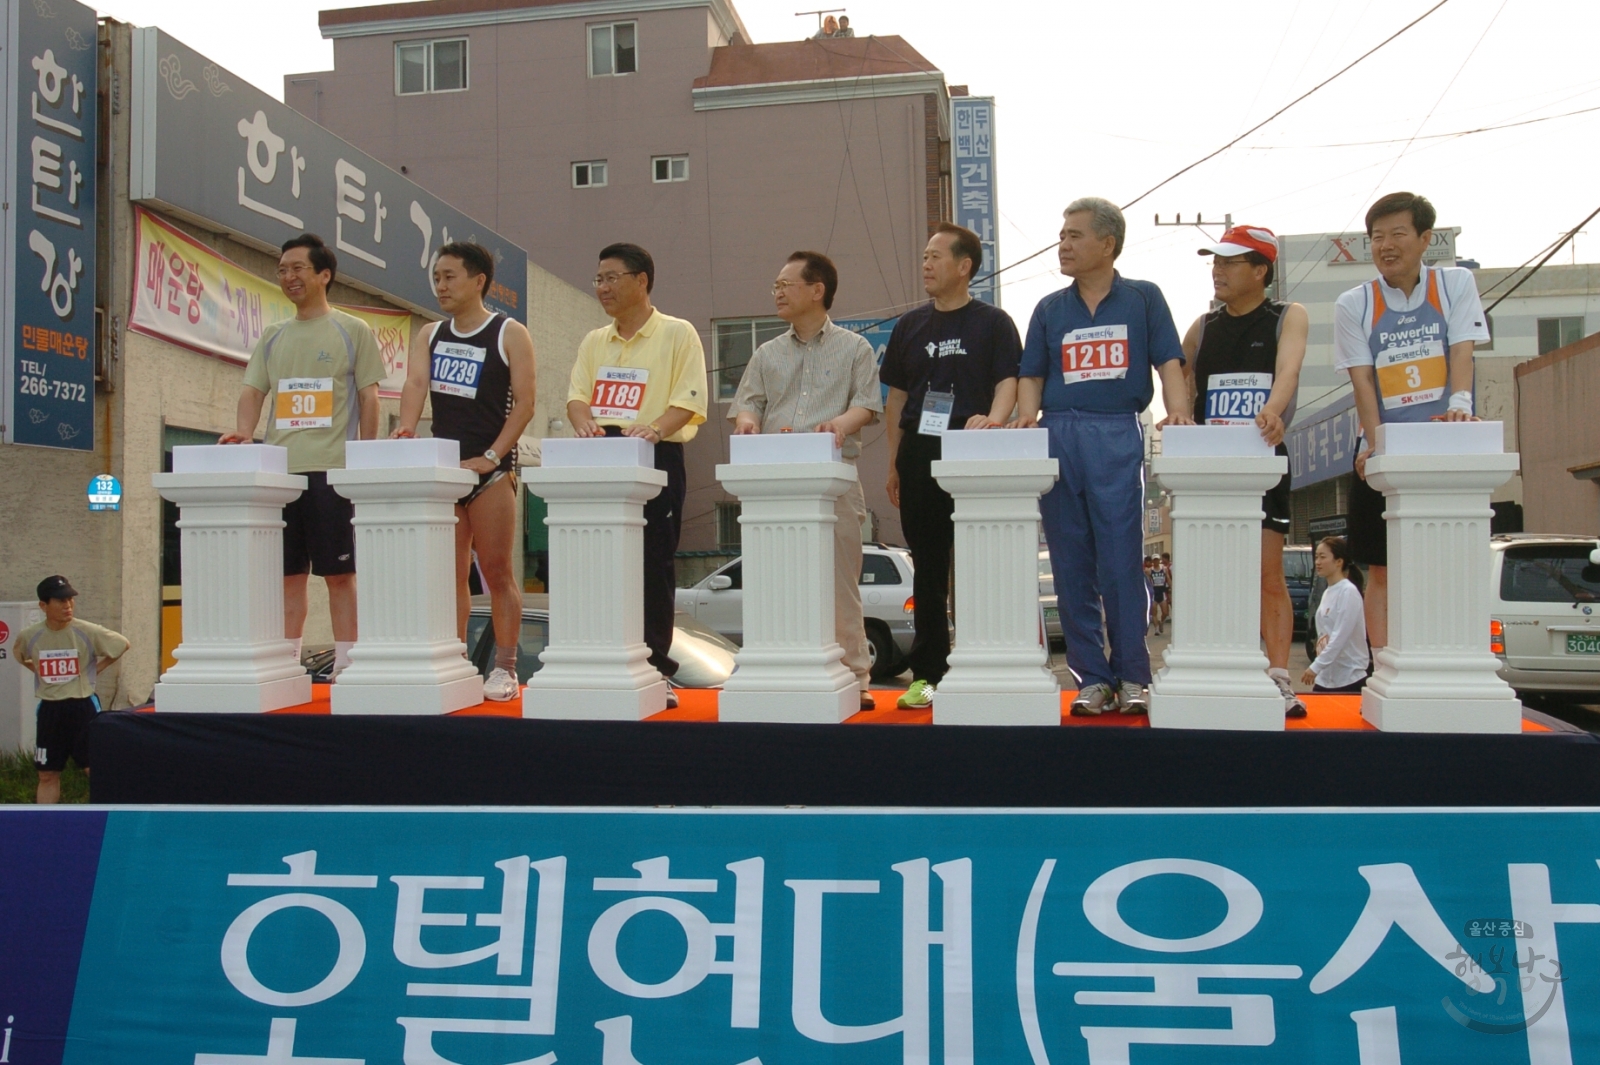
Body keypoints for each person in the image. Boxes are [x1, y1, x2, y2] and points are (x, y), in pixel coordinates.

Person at [1013, 198, 1191, 716]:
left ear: (1107, 244)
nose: (1063, 245)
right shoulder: (1049, 308)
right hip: (1059, 432)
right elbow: (1032, 373)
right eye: (1061, 234)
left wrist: (1177, 413)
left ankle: (1134, 674)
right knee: (1070, 565)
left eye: (1074, 235)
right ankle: (1093, 677)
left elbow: (1169, 362)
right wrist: (1028, 420)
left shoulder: (1143, 299)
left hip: (1116, 434)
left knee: (1119, 559)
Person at [222, 234, 386, 678]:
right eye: (282, 270)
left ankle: (349, 664)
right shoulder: (273, 336)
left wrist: (364, 456)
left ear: (324, 275)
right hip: (281, 475)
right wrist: (243, 434)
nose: (288, 277)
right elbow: (253, 391)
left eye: (297, 269)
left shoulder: (353, 330)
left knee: (339, 576)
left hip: (332, 472)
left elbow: (371, 399)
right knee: (286, 576)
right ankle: (286, 663)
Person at [1335, 192, 1489, 657]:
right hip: (1383, 448)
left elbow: (1462, 347)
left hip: (1443, 445)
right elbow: (1362, 380)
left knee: (1445, 564)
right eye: (1377, 237)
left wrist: (1460, 403)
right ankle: (1384, 665)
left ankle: (1450, 657)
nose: (1386, 245)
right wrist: (1375, 443)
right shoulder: (1353, 302)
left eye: (1398, 234)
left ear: (1425, 238)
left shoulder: (1456, 284)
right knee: (1380, 568)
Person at [731, 251, 883, 710]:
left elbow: (867, 406)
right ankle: (775, 671)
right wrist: (746, 423)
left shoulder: (855, 348)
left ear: (817, 291)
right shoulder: (765, 352)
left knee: (840, 585)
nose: (776, 291)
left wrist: (838, 424)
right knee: (772, 581)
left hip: (832, 480)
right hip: (774, 484)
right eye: (775, 285)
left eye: (786, 284)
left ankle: (857, 678)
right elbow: (748, 404)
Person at [880, 223, 1020, 709]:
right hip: (921, 450)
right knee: (929, 566)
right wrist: (895, 462)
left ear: (965, 266)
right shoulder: (909, 326)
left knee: (982, 559)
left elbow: (1009, 382)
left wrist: (995, 421)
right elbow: (897, 400)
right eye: (924, 256)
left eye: (936, 256)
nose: (926, 264)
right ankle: (928, 672)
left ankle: (987, 661)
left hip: (975, 445)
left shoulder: (994, 323)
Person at [567, 243, 707, 706]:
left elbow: (689, 400)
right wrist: (584, 422)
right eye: (598, 280)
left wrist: (654, 429)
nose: (602, 288)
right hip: (602, 458)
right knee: (598, 566)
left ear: (641, 281)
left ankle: (655, 669)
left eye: (611, 278)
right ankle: (604, 662)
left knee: (653, 567)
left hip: (655, 457)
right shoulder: (594, 341)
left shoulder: (677, 333)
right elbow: (576, 397)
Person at [395, 242, 537, 701]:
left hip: (491, 470)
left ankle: (506, 668)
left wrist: (493, 457)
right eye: (436, 276)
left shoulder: (510, 332)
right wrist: (406, 429)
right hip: (445, 471)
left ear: (479, 281)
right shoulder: (430, 334)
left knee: (497, 572)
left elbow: (526, 403)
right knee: (449, 574)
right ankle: (455, 662)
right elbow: (416, 383)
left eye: (450, 276)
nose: (440, 285)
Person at [1183, 224, 1310, 718]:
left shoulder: (1287, 316)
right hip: (1209, 470)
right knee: (1210, 574)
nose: (1218, 270)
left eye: (1231, 262)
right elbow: (1177, 374)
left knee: (1266, 575)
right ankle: (1212, 669)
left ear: (1261, 271)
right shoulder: (1203, 326)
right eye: (1215, 261)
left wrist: (1274, 412)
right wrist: (1179, 415)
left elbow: (1290, 371)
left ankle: (1278, 676)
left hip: (1262, 460)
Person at [13, 576, 128, 804]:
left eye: (70, 600)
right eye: (60, 601)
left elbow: (122, 644)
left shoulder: (87, 630)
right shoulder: (30, 635)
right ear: (43, 606)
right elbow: (20, 655)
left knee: (93, 768)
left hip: (82, 707)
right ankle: (44, 824)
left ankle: (108, 817)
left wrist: (92, 672)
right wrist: (41, 673)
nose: (68, 606)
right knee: (47, 773)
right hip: (50, 711)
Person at [1301, 537, 1370, 694]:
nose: (1317, 562)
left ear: (1339, 562)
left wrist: (1316, 666)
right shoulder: (1327, 592)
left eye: (1323, 557)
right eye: (1316, 557)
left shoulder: (1348, 592)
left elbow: (1340, 636)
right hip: (1326, 678)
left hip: (1349, 678)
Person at [1148, 554, 1170, 636]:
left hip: (1162, 591)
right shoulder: (1150, 570)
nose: (1156, 561)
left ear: (1159, 560)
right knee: (1154, 612)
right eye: (1154, 560)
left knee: (1165, 612)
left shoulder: (1164, 569)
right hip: (1154, 592)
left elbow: (1168, 579)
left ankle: (1161, 622)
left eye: (1157, 559)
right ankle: (1156, 629)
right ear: (1153, 561)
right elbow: (1147, 581)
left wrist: (1171, 587)